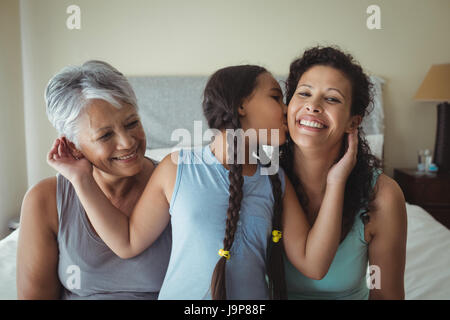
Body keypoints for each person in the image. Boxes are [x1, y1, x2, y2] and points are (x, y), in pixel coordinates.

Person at [47, 64, 358, 299]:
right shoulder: (177, 168)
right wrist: (80, 178)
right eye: (276, 97)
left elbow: (314, 265)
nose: (288, 109)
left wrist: (337, 181)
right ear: (241, 106)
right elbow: (127, 243)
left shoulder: (275, 179)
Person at [16, 60, 172, 299]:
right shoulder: (44, 201)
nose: (127, 142)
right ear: (73, 146)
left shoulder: (176, 186)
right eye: (105, 135)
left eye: (132, 123)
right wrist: (82, 180)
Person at [282, 46, 407, 300]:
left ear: (353, 121)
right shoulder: (259, 183)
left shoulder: (382, 196)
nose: (313, 106)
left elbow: (385, 295)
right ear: (288, 107)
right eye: (304, 93)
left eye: (332, 99)